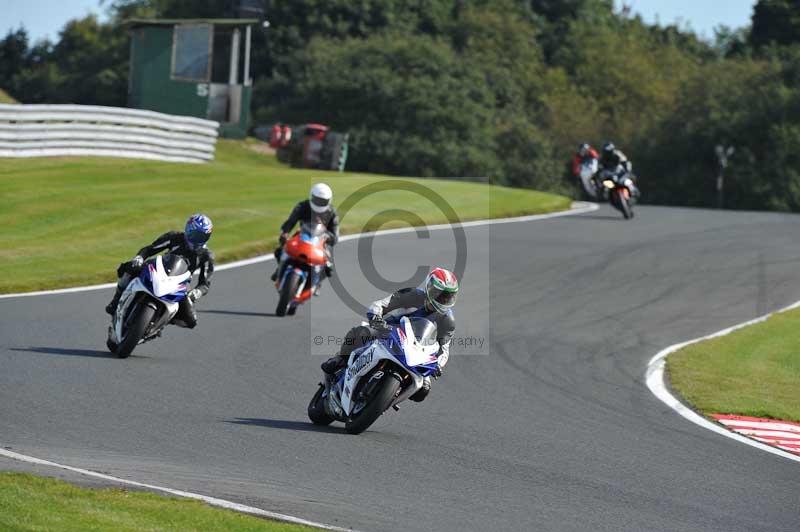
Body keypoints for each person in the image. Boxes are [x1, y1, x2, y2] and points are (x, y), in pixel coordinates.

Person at [321, 267, 459, 402]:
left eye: (448, 297)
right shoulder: (411, 295)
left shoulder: (448, 321)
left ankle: (390, 396)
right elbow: (381, 304)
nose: (444, 300)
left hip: (417, 351)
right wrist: (376, 318)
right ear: (430, 288)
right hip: (389, 332)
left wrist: (438, 365)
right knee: (360, 333)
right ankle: (340, 359)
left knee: (423, 390)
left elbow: (444, 348)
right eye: (440, 295)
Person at [105, 214, 215, 329]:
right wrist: (140, 257)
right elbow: (150, 249)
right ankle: (116, 300)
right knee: (130, 267)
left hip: (180, 284)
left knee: (191, 321)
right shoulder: (174, 237)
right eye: (194, 235)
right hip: (158, 268)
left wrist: (196, 293)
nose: (196, 239)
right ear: (187, 230)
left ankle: (162, 321)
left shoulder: (206, 256)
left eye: (202, 237)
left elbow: (205, 284)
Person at [271, 183, 339, 284]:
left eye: (322, 201)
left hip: (321, 240)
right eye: (317, 200)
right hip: (303, 233)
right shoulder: (303, 206)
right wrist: (285, 232)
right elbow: (291, 221)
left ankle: (317, 283)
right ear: (312, 196)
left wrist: (327, 236)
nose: (319, 203)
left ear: (329, 201)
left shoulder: (332, 213)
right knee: (280, 250)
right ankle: (280, 268)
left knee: (329, 268)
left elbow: (335, 236)